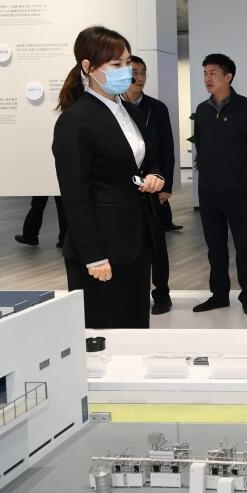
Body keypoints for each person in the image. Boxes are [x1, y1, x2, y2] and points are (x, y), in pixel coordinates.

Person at [51, 26, 164, 329]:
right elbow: (75, 195)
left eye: (127, 62)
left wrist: (154, 175)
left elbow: (145, 160)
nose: (126, 71)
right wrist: (94, 256)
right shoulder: (76, 121)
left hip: (136, 240)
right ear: (88, 67)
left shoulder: (129, 111)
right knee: (104, 333)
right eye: (116, 65)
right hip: (101, 250)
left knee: (135, 328)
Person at [192, 53, 247, 315]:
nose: (207, 78)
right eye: (205, 73)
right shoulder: (202, 110)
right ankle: (219, 294)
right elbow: (200, 144)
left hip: (237, 189)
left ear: (228, 76)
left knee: (243, 244)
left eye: (213, 73)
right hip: (208, 190)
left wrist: (240, 171)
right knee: (215, 246)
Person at [122, 55, 178, 315]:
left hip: (154, 186)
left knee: (157, 244)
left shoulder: (157, 108)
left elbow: (167, 149)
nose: (139, 77)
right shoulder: (115, 108)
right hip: (125, 189)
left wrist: (167, 185)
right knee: (130, 244)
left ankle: (162, 294)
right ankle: (134, 293)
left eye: (143, 72)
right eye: (134, 72)